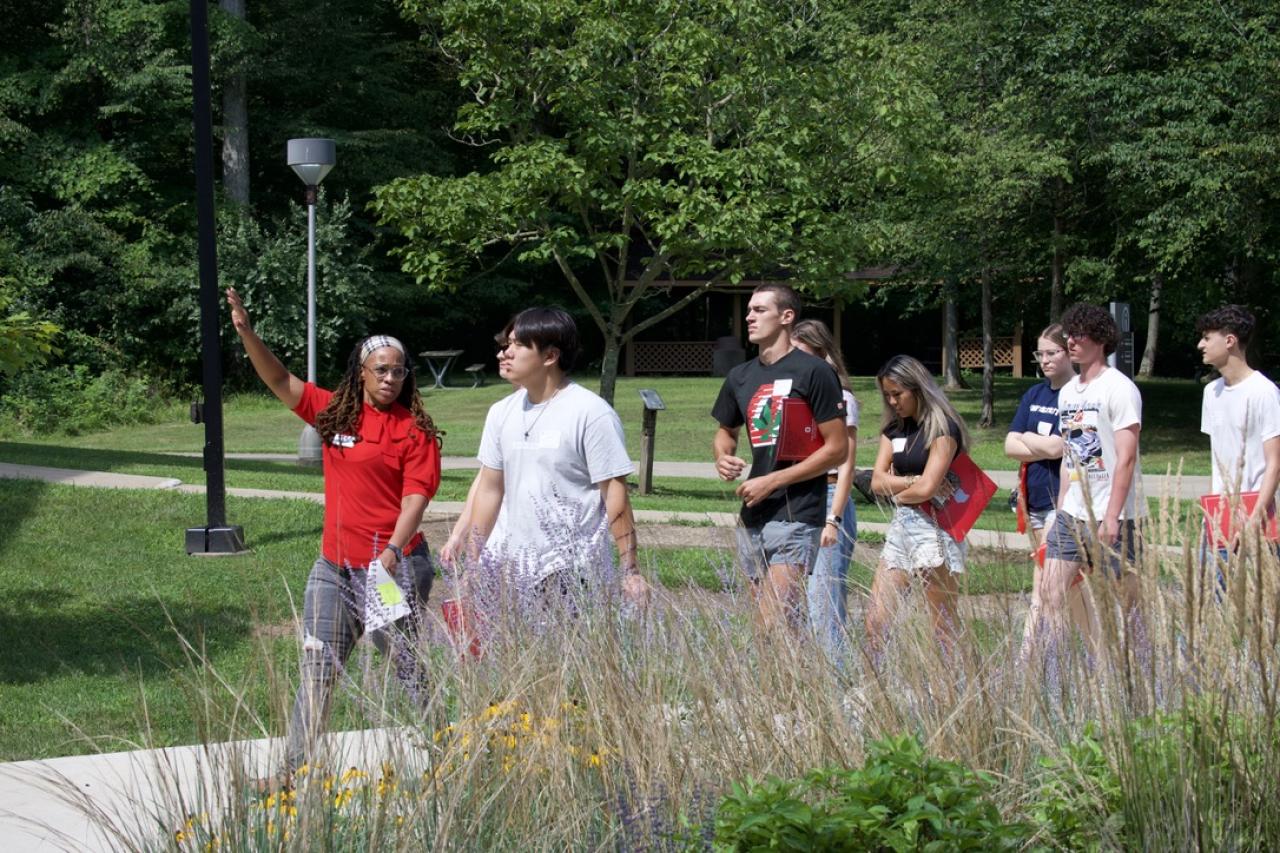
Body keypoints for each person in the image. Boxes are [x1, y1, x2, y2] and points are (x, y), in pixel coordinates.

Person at [225, 287, 441, 788]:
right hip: (334, 568)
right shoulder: (335, 413)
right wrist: (247, 333)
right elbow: (279, 379)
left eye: (399, 371)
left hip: (393, 569)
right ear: (361, 372)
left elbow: (416, 499)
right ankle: (292, 772)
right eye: (381, 370)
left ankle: (446, 755)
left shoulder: (414, 431)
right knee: (318, 669)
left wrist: (391, 551)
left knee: (406, 666)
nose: (390, 379)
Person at [458, 307, 649, 611]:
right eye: (506, 344)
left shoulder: (591, 413)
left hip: (570, 570)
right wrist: (473, 562)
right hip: (509, 568)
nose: (504, 353)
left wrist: (630, 570)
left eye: (518, 345)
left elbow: (615, 493)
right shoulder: (500, 412)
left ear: (550, 356)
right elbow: (490, 490)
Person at [711, 284, 847, 633]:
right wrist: (723, 456)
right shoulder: (740, 376)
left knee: (769, 624)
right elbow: (726, 431)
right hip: (752, 513)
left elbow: (837, 449)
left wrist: (772, 481)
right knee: (787, 627)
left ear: (787, 317)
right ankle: (803, 671)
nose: (749, 317)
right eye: (749, 310)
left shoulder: (814, 372)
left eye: (759, 310)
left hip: (796, 512)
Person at [1039, 303, 1146, 657]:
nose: (1070, 341)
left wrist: (1112, 516)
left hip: (1117, 515)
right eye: (1068, 334)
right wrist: (1060, 508)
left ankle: (1135, 668)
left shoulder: (1120, 388)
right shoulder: (1069, 392)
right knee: (1050, 591)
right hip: (1073, 513)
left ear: (1100, 340)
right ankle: (1059, 669)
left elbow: (1126, 457)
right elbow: (1071, 456)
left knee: (1126, 605)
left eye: (1079, 335)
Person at [866, 355, 969, 654]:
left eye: (898, 394)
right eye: (887, 395)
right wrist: (913, 482)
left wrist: (899, 489)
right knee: (876, 621)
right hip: (902, 526)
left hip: (935, 529)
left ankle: (957, 680)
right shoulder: (893, 430)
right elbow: (876, 482)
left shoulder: (943, 428)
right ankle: (875, 680)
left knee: (942, 626)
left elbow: (928, 488)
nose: (892, 401)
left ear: (918, 389)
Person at [1005, 324, 1096, 654]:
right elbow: (1009, 445)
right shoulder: (1034, 394)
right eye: (1039, 353)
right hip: (1033, 503)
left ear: (1068, 352)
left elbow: (1062, 448)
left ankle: (1032, 661)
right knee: (1066, 587)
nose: (1044, 360)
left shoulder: (1078, 395)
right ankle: (1097, 653)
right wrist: (1040, 444)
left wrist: (1029, 439)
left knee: (1044, 587)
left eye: (1051, 353)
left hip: (1061, 505)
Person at [791, 319, 859, 664]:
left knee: (824, 601)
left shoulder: (841, 397)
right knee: (794, 599)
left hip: (830, 497)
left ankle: (835, 679)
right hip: (798, 499)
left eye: (800, 352)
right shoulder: (797, 397)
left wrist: (834, 519)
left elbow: (846, 465)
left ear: (820, 352)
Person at [1196, 305, 1280, 558]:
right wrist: (1208, 511)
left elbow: (1275, 464)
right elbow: (1217, 458)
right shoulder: (1211, 392)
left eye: (1207, 338)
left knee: (1255, 585)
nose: (1201, 345)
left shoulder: (1264, 392)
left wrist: (1253, 521)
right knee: (1209, 584)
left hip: (1255, 517)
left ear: (1230, 341)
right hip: (1217, 514)